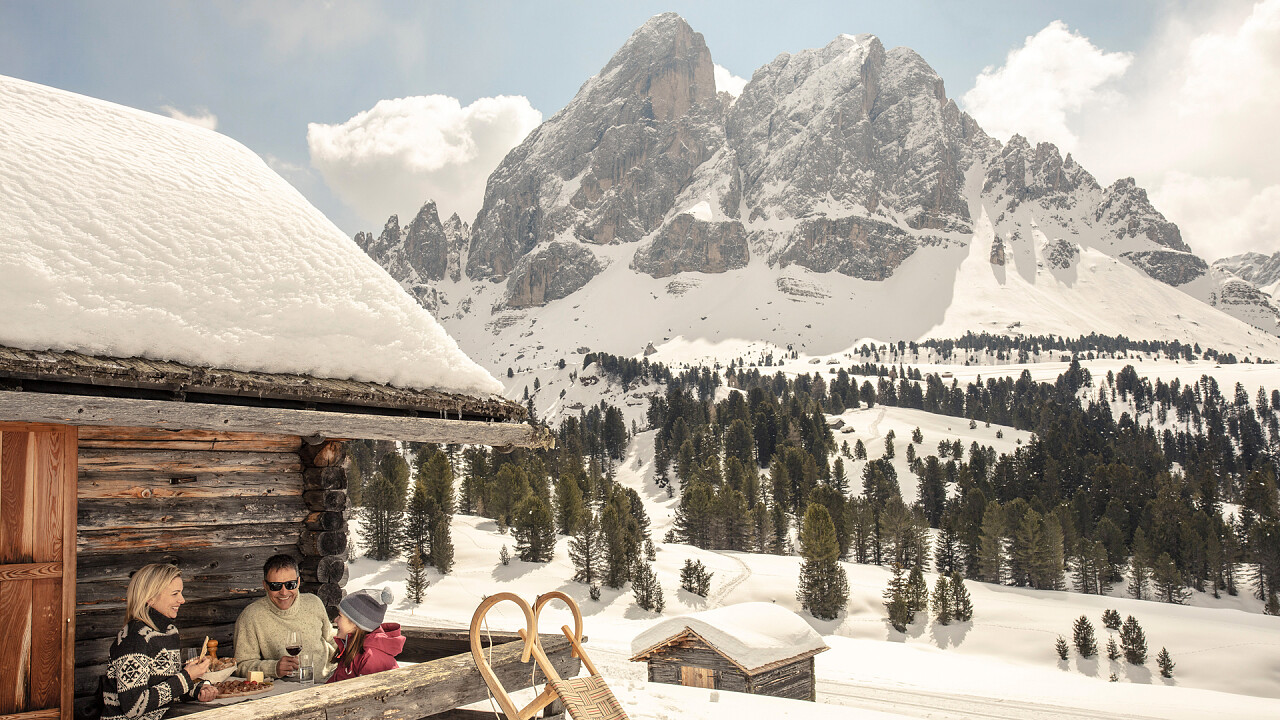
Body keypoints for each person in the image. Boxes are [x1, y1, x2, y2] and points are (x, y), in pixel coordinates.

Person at [102, 564, 217, 720]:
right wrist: (186, 677)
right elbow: (134, 707)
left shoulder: (169, 632)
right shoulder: (134, 638)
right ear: (150, 598)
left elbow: (165, 689)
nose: (182, 600)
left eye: (181, 593)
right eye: (175, 594)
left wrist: (196, 690)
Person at [233, 554, 337, 679]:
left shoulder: (314, 602)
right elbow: (241, 666)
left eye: (290, 584)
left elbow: (332, 639)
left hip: (331, 678)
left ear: (298, 582)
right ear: (265, 585)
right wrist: (273, 668)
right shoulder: (251, 616)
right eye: (275, 586)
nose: (284, 592)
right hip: (288, 688)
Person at [326, 588, 404, 683]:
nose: (335, 620)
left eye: (340, 616)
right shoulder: (353, 648)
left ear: (355, 623)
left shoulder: (371, 658)